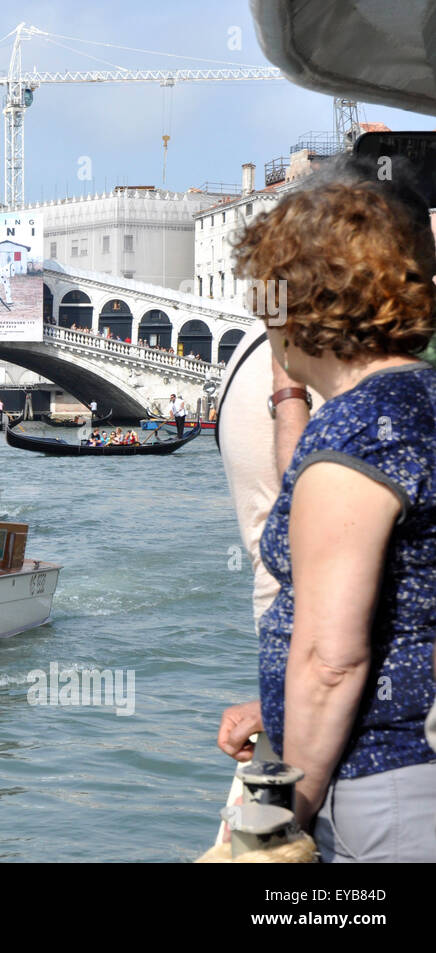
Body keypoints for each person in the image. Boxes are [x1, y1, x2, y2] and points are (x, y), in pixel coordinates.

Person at [215, 163, 436, 862]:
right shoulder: (420, 402)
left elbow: (331, 659)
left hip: (380, 783)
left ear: (295, 311)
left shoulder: (354, 433)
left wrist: (273, 822)